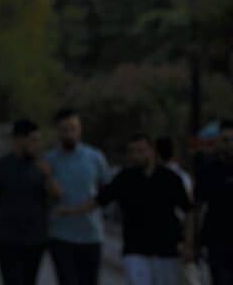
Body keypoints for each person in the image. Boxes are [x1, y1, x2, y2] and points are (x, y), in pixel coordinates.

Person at [59, 132, 192, 285]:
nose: (136, 156)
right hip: (135, 249)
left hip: (166, 250)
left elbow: (188, 210)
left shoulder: (170, 179)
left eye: (140, 151)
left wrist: (188, 243)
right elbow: (98, 200)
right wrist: (71, 211)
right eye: (132, 151)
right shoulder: (124, 178)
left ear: (151, 151)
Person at [0, 118, 60, 285]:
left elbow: (57, 197)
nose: (37, 144)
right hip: (9, 240)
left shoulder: (41, 167)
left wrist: (48, 176)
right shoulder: (0, 168)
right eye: (33, 140)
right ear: (18, 140)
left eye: (38, 140)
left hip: (36, 240)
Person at [45, 107, 111, 285]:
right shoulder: (49, 160)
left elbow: (106, 192)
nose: (69, 134)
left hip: (91, 234)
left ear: (80, 129)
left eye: (73, 128)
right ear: (57, 132)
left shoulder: (95, 157)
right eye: (64, 130)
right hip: (61, 235)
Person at [195, 118, 233, 284]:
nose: (229, 145)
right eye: (225, 140)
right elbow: (197, 206)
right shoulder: (208, 170)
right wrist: (192, 241)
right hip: (217, 243)